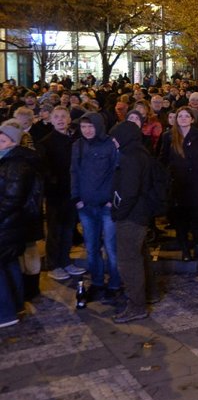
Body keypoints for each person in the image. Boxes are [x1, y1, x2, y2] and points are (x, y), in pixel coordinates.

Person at [70, 112, 121, 303]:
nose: (87, 130)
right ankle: (98, 282)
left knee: (111, 247)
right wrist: (76, 198)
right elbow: (74, 171)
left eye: (90, 126)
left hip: (106, 205)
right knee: (91, 247)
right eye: (83, 127)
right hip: (86, 204)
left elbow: (117, 172)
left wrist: (111, 199)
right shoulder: (78, 146)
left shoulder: (110, 144)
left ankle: (115, 283)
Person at [108, 120, 155, 323]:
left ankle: (136, 306)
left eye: (115, 137)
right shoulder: (141, 152)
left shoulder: (130, 157)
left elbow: (129, 192)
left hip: (132, 216)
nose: (113, 141)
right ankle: (150, 293)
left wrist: (118, 213)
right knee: (140, 255)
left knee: (128, 261)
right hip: (142, 213)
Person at [0, 121, 41, 328]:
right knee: (10, 262)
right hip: (12, 223)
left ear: (12, 142)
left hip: (9, 223)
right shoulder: (11, 161)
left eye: (2, 140)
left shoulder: (15, 164)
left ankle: (5, 313)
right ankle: (16, 305)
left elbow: (12, 198)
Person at [159, 107, 198, 262]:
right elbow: (163, 159)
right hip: (177, 184)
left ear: (192, 119)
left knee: (196, 216)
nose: (183, 119)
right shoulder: (168, 136)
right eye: (180, 116)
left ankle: (197, 246)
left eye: (186, 116)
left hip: (195, 183)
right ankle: (184, 249)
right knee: (180, 218)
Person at [38, 107, 84, 281]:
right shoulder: (46, 142)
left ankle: (65, 260)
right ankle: (54, 264)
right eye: (56, 117)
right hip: (56, 194)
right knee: (55, 230)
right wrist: (53, 182)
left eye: (63, 116)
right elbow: (45, 169)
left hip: (72, 192)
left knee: (68, 229)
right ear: (50, 120)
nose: (60, 119)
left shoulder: (74, 140)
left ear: (69, 119)